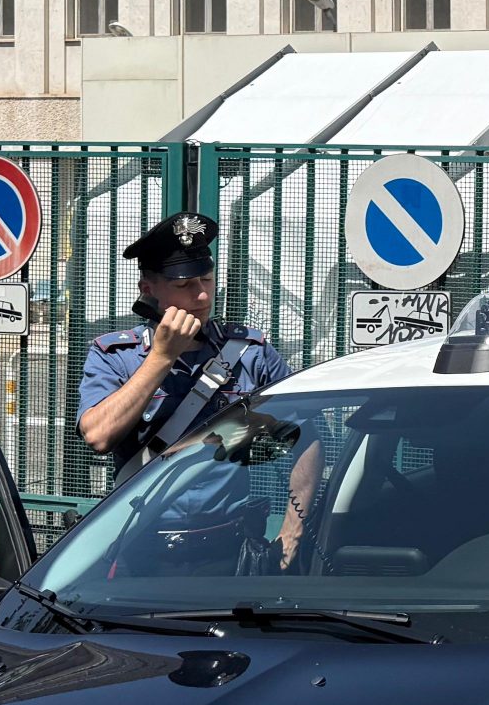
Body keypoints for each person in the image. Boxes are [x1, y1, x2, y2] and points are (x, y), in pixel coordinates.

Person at [76, 211, 315, 567]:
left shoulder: (249, 352)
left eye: (207, 279)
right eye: (184, 285)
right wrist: (161, 357)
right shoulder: (115, 356)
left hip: (228, 548)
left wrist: (294, 526)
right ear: (148, 289)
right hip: (139, 547)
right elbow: (98, 436)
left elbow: (307, 432)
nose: (202, 296)